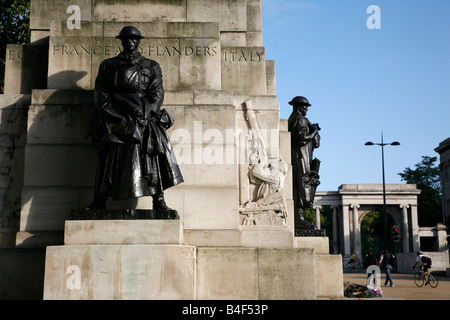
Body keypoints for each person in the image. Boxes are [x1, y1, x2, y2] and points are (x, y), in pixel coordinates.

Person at [87, 26, 183, 212]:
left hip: (143, 115)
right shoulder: (108, 65)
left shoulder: (151, 65)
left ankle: (159, 200)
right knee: (107, 158)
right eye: (126, 39)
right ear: (121, 41)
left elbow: (157, 92)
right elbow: (101, 94)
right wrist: (114, 114)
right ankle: (99, 200)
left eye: (134, 39)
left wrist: (145, 113)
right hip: (116, 115)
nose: (130, 41)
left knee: (155, 152)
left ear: (139, 41)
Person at [288, 96, 321, 231]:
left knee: (302, 185)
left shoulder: (300, 119)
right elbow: (301, 139)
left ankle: (299, 218)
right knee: (303, 186)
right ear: (298, 107)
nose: (306, 109)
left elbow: (316, 143)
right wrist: (314, 132)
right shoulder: (300, 120)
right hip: (301, 158)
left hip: (304, 156)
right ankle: (298, 219)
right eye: (304, 106)